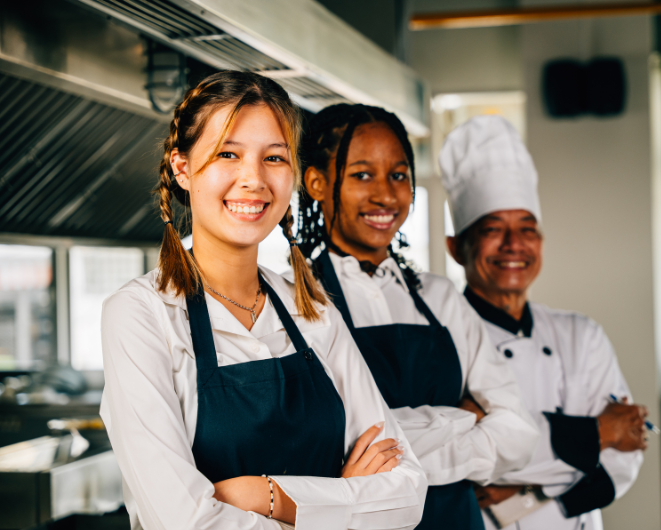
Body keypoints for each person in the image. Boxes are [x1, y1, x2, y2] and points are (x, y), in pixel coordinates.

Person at [99, 72, 427, 530]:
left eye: (274, 157)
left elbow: (407, 494)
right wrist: (341, 503)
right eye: (227, 154)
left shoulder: (310, 307)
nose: (253, 179)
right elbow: (186, 523)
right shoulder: (142, 315)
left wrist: (265, 496)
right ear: (182, 168)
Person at [296, 103, 540, 530]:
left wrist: (391, 458)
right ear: (317, 182)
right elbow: (321, 449)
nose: (386, 195)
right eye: (362, 174)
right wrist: (462, 418)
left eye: (399, 175)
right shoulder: (296, 300)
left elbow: (519, 433)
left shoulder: (440, 297)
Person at [440, 115, 647, 530]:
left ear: (540, 243)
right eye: (493, 229)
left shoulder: (581, 335)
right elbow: (451, 452)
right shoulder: (440, 340)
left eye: (527, 229)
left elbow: (625, 456)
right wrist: (596, 432)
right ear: (456, 248)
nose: (513, 244)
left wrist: (523, 494)